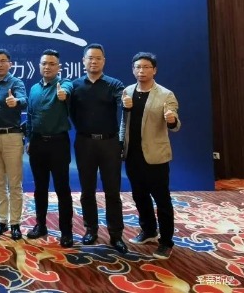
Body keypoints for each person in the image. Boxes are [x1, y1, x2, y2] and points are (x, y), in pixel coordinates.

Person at [120, 52, 180, 259]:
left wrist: (171, 119)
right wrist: (121, 145)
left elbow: (175, 124)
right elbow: (124, 123)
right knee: (139, 195)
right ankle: (148, 230)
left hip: (155, 156)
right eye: (138, 67)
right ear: (133, 70)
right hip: (132, 154)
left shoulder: (165, 94)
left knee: (162, 200)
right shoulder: (127, 91)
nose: (141, 71)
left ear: (154, 70)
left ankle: (166, 242)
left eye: (146, 67)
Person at [69, 43, 128, 254]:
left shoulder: (114, 84)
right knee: (87, 190)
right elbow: (71, 113)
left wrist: (126, 101)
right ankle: (90, 229)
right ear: (83, 61)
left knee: (112, 190)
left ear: (104, 61)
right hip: (85, 142)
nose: (93, 61)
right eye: (90, 58)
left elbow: (124, 102)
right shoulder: (75, 86)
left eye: (98, 58)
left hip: (109, 143)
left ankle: (116, 234)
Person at [25, 49, 74, 247]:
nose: (47, 67)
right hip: (37, 143)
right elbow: (30, 116)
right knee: (40, 188)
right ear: (39, 66)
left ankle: (66, 231)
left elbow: (67, 90)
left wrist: (64, 94)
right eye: (44, 63)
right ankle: (41, 225)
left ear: (59, 67)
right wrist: (29, 139)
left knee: (62, 189)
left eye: (52, 64)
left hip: (58, 144)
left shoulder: (64, 84)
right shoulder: (34, 89)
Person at [0, 49, 27, 240]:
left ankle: (15, 223)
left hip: (12, 136)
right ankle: (1, 220)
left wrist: (16, 101)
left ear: (10, 64)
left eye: (3, 61)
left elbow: (25, 101)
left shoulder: (16, 83)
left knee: (14, 183)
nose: (0, 64)